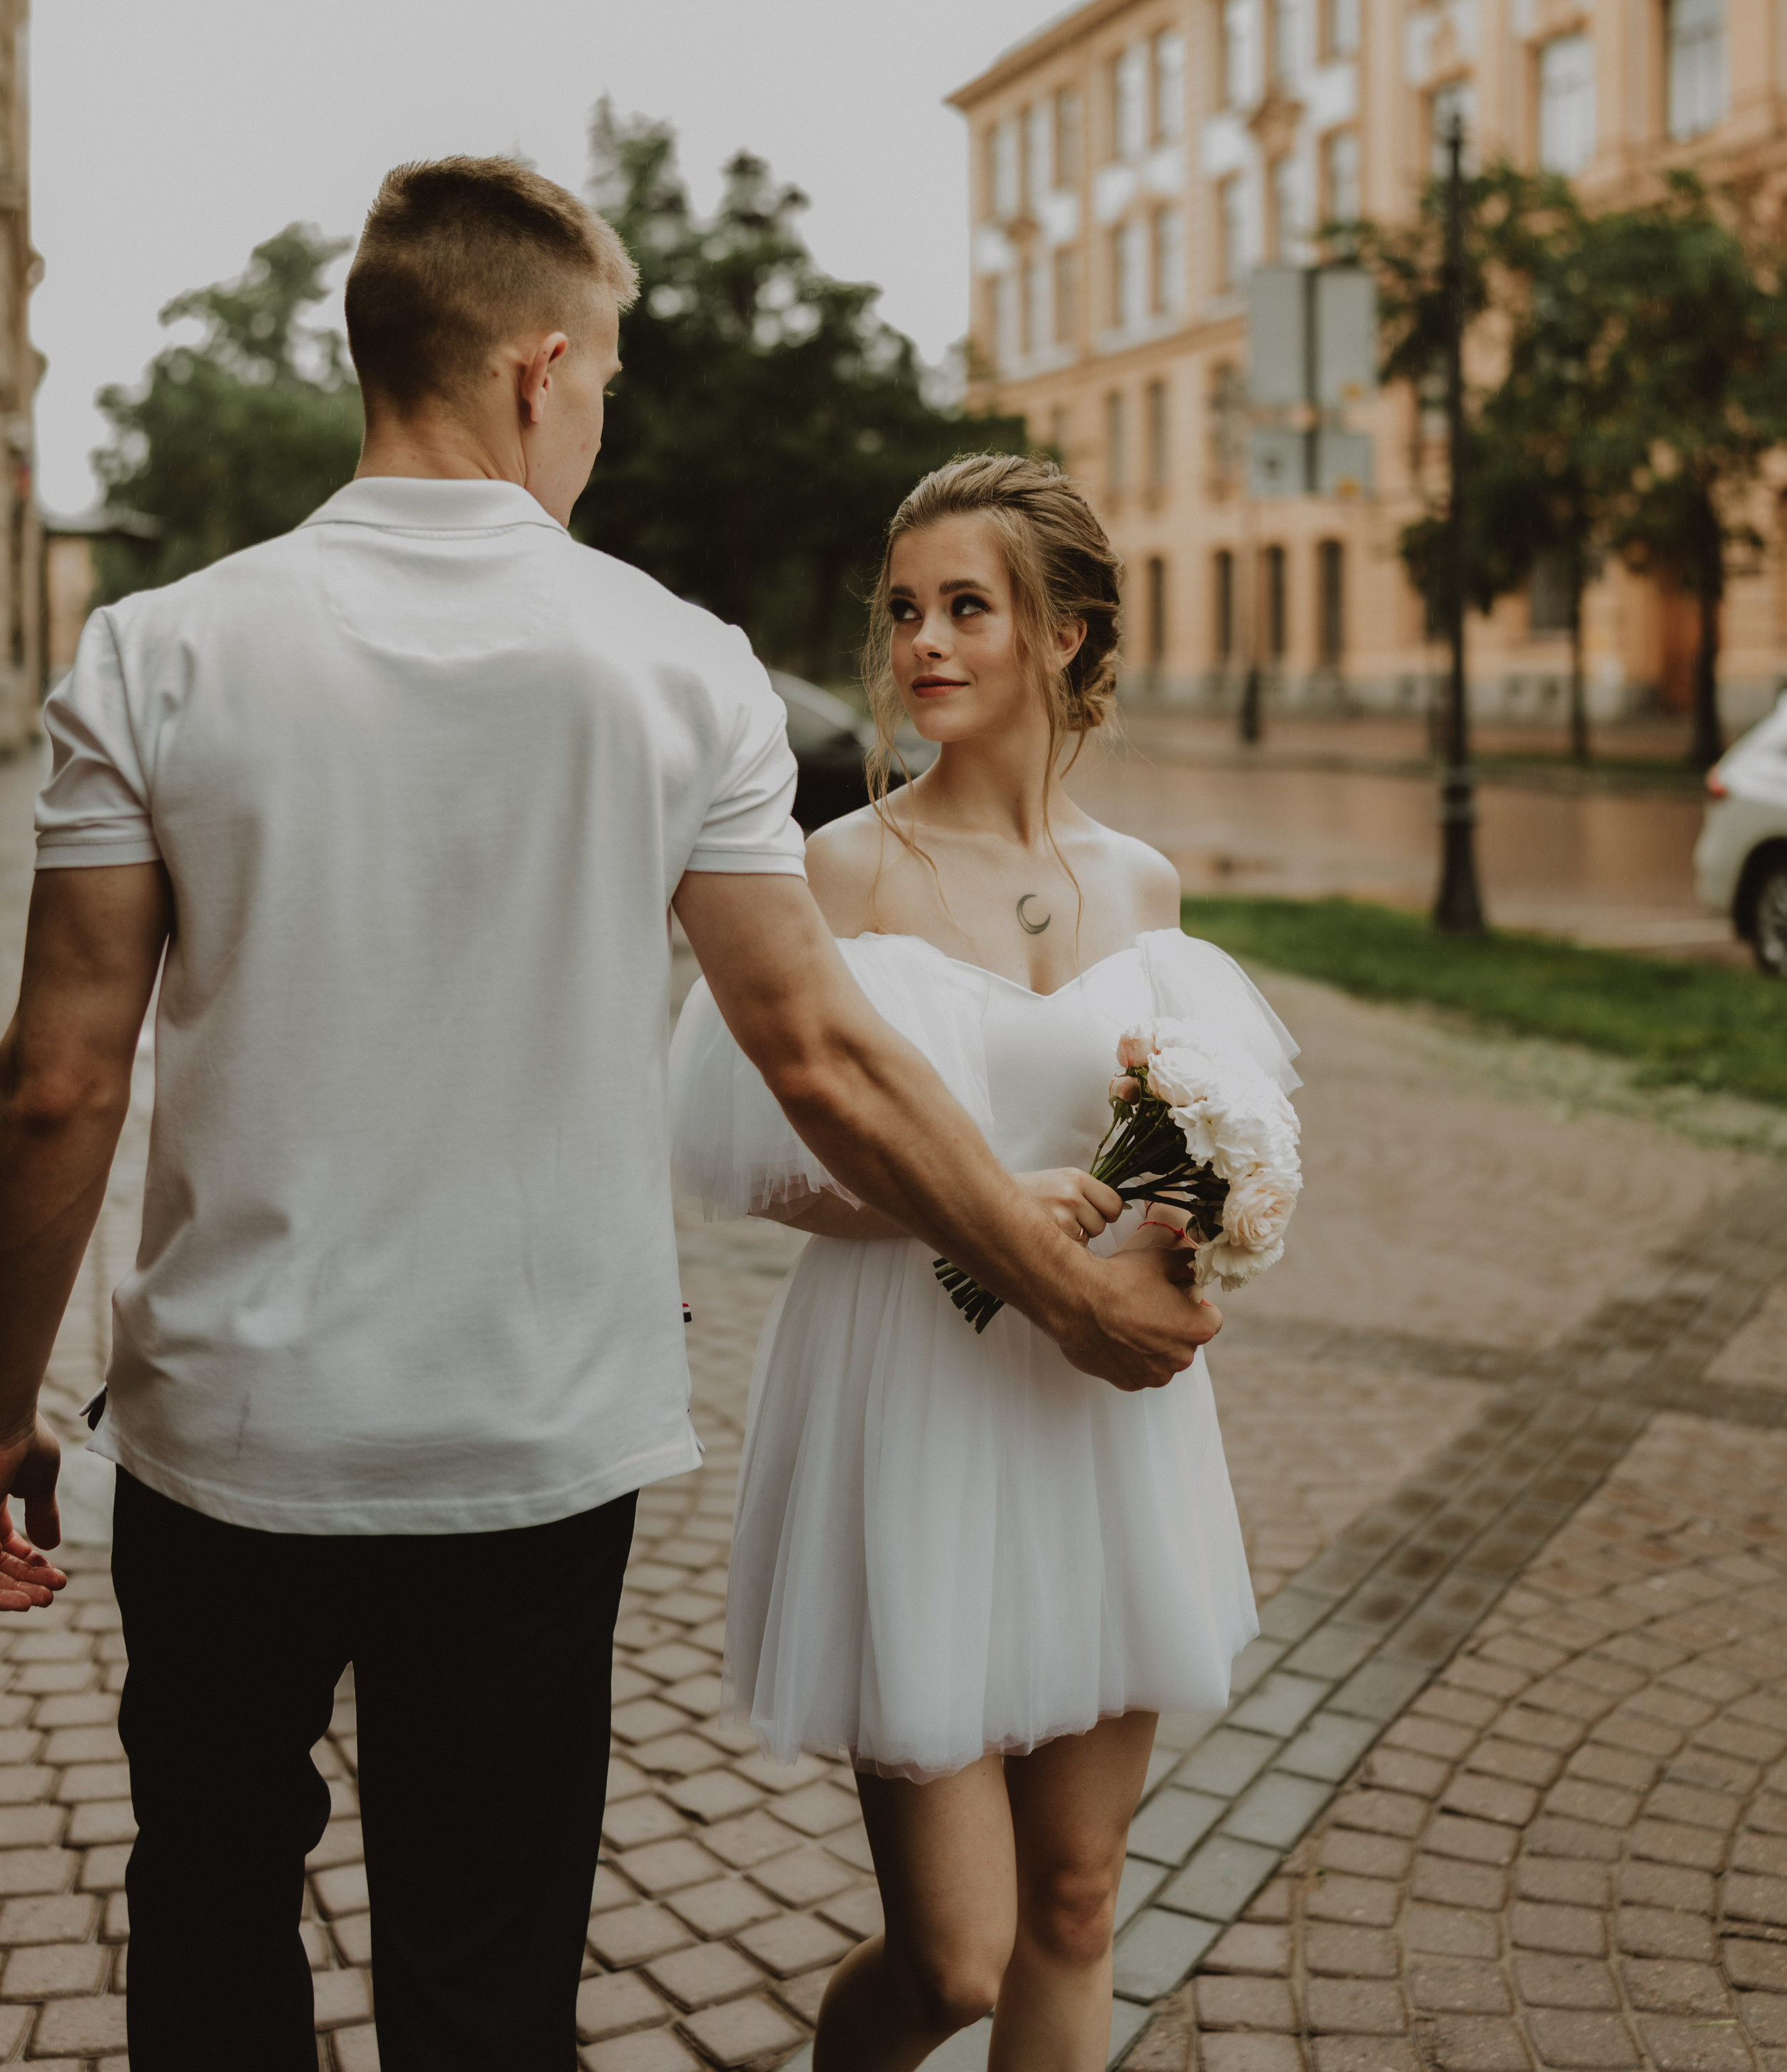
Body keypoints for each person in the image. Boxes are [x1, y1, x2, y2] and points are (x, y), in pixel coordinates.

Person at [0, 161, 1218, 2072]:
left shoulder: (160, 653)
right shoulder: (675, 665)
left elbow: (58, 1082)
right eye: (612, 382)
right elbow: (813, 1048)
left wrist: (4, 1406)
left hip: (228, 1436)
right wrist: (1061, 1290)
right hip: (529, 1445)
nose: (602, 420)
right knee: (488, 1989)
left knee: (213, 1917)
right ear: (538, 372)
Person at [671, 452, 1301, 2072]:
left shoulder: (1141, 886)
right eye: (903, 612)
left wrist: (1192, 1226)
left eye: (968, 608)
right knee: (957, 1954)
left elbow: (1197, 1141)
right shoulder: (843, 872)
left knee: (1078, 1902)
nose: (922, 645)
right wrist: (979, 1205)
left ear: (1072, 639)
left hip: (1098, 1420)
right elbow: (763, 1164)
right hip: (913, 1401)